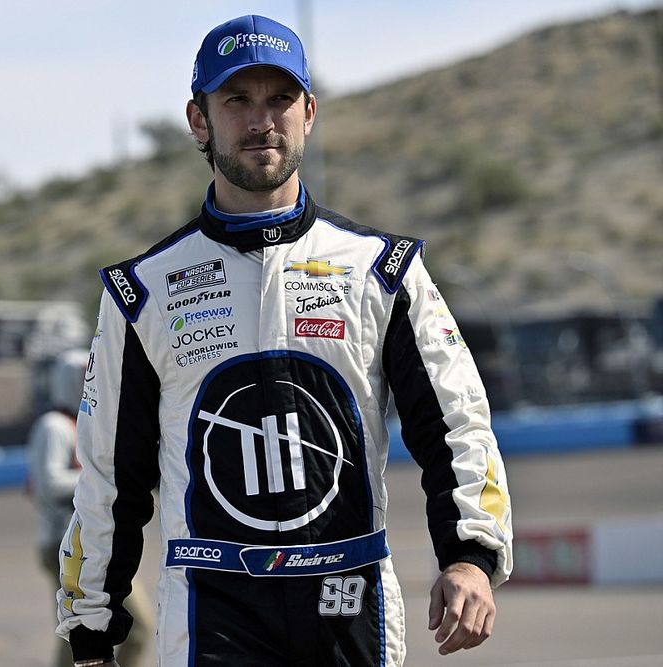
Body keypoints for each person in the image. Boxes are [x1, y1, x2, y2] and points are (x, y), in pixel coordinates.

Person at [56, 14, 513, 667]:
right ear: (199, 119)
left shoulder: (382, 271)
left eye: (280, 99)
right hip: (214, 606)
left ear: (309, 112)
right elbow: (109, 473)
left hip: (351, 602)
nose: (260, 119)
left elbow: (458, 426)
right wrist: (92, 626)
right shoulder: (142, 291)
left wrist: (470, 555)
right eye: (237, 100)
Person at [29, 349, 150, 667]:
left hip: (97, 541)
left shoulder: (92, 425)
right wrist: (104, 478)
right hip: (67, 543)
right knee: (86, 633)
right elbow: (49, 484)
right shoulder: (55, 426)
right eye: (85, 375)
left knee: (95, 633)